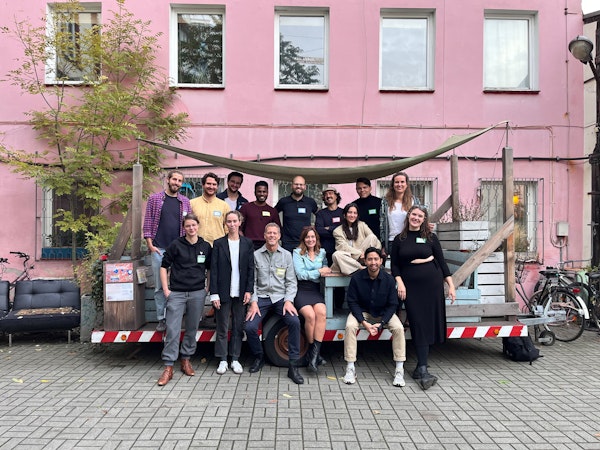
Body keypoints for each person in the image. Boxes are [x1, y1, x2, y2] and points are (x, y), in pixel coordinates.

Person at [391, 205, 456, 390]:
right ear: (408, 216)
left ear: (424, 219)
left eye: (420, 216)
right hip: (411, 287)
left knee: (427, 323)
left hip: (432, 286)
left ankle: (422, 366)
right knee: (417, 322)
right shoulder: (399, 239)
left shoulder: (431, 237)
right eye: (414, 214)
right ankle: (421, 367)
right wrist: (400, 283)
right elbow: (395, 265)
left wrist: (451, 286)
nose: (416, 218)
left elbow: (442, 263)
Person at [245, 222, 304, 384]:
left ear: (279, 236)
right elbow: (252, 282)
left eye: (274, 233)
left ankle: (293, 365)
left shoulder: (286, 255)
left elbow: (291, 282)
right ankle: (259, 357)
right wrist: (253, 302)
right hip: (261, 297)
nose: (272, 235)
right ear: (264, 235)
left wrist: (288, 300)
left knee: (294, 321)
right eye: (269, 233)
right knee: (249, 327)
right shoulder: (256, 255)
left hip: (280, 298)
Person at [156, 214, 211, 386]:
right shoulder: (176, 245)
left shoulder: (205, 246)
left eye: (193, 225)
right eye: (188, 226)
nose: (191, 228)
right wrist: (166, 290)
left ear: (198, 226)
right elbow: (163, 267)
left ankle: (186, 359)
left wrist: (207, 288)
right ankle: (168, 366)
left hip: (197, 293)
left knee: (192, 329)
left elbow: (210, 268)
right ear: (184, 228)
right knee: (172, 330)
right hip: (177, 294)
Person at [342, 247, 406, 387]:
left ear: (381, 261)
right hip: (363, 312)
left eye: (376, 259)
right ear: (365, 261)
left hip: (383, 313)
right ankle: (350, 367)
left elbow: (392, 304)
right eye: (370, 259)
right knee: (350, 326)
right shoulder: (357, 278)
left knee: (398, 328)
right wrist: (363, 322)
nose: (373, 262)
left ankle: (399, 369)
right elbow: (352, 302)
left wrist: (382, 323)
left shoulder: (389, 280)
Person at [143, 170, 192, 332]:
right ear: (168, 180)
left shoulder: (185, 202)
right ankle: (161, 318)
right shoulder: (155, 199)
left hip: (178, 250)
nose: (176, 183)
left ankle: (175, 317)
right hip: (159, 249)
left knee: (178, 284)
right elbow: (148, 222)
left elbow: (188, 225)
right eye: (174, 179)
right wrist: (150, 245)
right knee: (160, 286)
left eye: (180, 181)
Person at [210, 211, 254, 375]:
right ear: (225, 223)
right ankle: (222, 359)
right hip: (223, 291)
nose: (232, 224)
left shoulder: (247, 243)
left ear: (240, 222)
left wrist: (249, 290)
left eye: (235, 221)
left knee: (238, 327)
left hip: (241, 292)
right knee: (222, 326)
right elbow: (214, 270)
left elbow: (251, 269)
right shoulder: (218, 243)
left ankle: (235, 358)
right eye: (229, 221)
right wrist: (214, 293)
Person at [293, 226, 332, 373]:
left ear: (316, 239)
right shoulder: (297, 253)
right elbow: (300, 274)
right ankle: (312, 352)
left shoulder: (321, 252)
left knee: (321, 312)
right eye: (307, 237)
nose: (310, 240)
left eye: (313, 237)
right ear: (303, 239)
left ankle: (314, 355)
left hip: (315, 290)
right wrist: (318, 272)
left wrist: (323, 270)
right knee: (310, 315)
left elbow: (326, 267)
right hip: (301, 289)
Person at [331, 203, 381, 275]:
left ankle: (369, 261)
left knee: (372, 237)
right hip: (349, 259)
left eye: (355, 213)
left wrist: (369, 254)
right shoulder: (337, 231)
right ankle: (360, 268)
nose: (352, 215)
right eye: (350, 212)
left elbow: (374, 240)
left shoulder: (362, 225)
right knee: (336, 254)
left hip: (363, 258)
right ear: (344, 215)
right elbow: (343, 247)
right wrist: (360, 253)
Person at [275, 175, 318, 254]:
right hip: (287, 242)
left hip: (306, 241)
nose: (298, 186)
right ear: (292, 186)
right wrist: (279, 230)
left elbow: (319, 216)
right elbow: (273, 215)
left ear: (305, 187)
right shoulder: (284, 201)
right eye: (296, 184)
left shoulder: (310, 202)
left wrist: (315, 229)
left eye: (301, 184)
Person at [381, 171, 419, 252]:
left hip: (410, 240)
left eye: (402, 182)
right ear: (393, 184)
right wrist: (383, 244)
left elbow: (419, 219)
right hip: (392, 241)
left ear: (406, 184)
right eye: (397, 182)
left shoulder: (414, 201)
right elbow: (382, 224)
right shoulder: (385, 202)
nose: (399, 184)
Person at [190, 172, 230, 246]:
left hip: (217, 247)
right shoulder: (192, 204)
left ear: (217, 186)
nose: (211, 187)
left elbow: (227, 229)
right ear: (203, 185)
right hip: (197, 246)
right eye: (208, 184)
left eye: (214, 184)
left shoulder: (224, 206)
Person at [240, 180, 281, 250]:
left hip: (267, 245)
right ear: (255, 193)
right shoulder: (246, 207)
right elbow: (239, 228)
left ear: (267, 193)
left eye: (264, 192)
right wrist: (245, 242)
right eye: (259, 191)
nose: (262, 194)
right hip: (249, 245)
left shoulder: (272, 211)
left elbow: (278, 230)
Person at [315, 187, 343, 266]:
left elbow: (345, 229)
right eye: (326, 194)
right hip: (325, 251)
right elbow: (319, 230)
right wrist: (338, 230)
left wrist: (329, 228)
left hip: (341, 250)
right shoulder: (320, 213)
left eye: (330, 193)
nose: (328, 196)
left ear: (336, 196)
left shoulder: (343, 212)